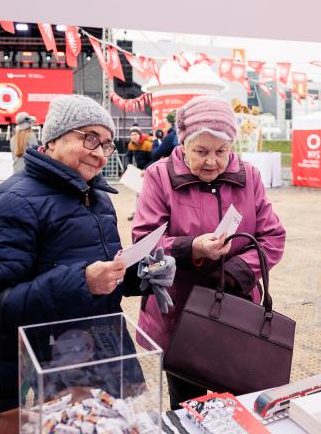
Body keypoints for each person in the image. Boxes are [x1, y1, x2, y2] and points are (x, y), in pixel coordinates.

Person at [0, 95, 173, 420]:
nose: (98, 152)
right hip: (34, 375)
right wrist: (81, 281)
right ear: (53, 138)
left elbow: (105, 278)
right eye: (89, 138)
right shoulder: (12, 202)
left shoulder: (96, 197)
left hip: (98, 363)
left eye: (106, 144)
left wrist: (141, 274)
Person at [131, 96, 286, 409]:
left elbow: (273, 236)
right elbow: (144, 242)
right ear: (184, 144)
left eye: (221, 151)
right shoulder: (159, 177)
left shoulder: (249, 176)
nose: (212, 162)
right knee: (188, 404)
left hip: (237, 313)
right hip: (178, 315)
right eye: (201, 151)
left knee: (236, 402)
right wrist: (192, 248)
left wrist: (238, 271)